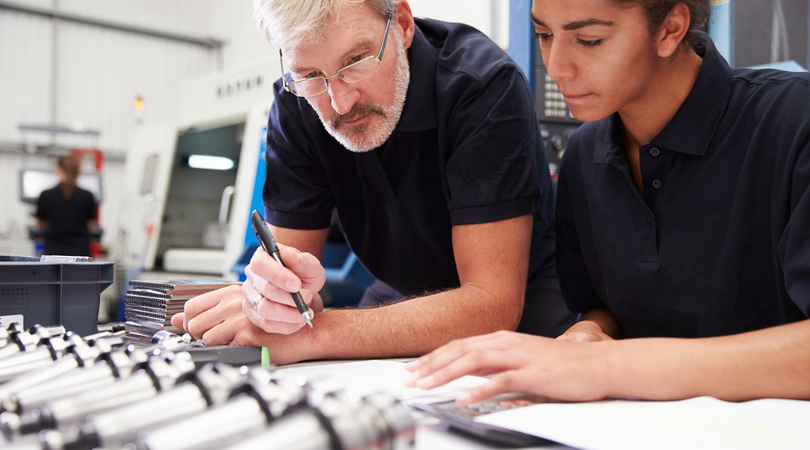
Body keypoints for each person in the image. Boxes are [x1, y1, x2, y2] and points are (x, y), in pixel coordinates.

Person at [404, 0, 810, 402]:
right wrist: (588, 335)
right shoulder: (584, 154)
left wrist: (607, 367)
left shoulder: (793, 124)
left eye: (589, 39)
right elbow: (605, 307)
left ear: (670, 29)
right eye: (544, 34)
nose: (556, 65)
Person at [171, 0, 577, 364]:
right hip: (401, 289)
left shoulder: (481, 86)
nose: (340, 103)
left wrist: (317, 335)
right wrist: (272, 299)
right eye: (311, 74)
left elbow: (491, 304)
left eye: (356, 60)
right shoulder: (297, 105)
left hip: (522, 296)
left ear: (400, 23)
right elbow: (290, 283)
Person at [35, 155, 97, 257]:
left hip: (53, 254)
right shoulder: (87, 196)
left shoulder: (46, 195)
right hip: (80, 254)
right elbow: (90, 225)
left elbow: (40, 224)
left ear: (58, 169)